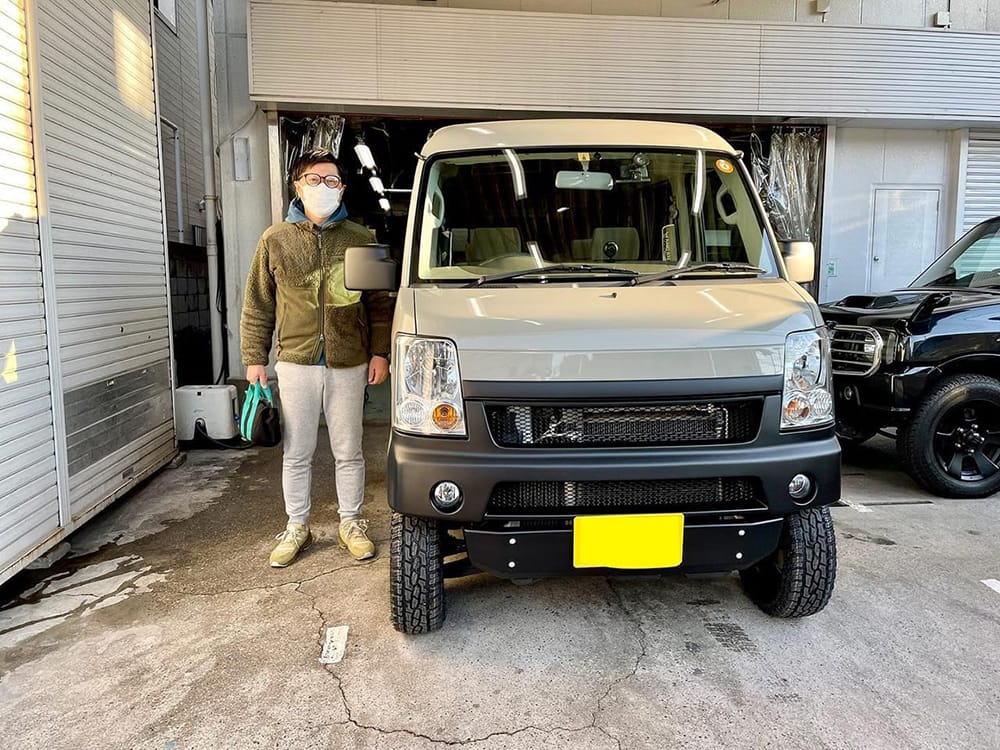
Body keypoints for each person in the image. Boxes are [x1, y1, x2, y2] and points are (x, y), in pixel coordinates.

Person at [241, 149, 393, 568]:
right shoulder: (275, 239)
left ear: (342, 189)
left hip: (349, 360)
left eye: (331, 180)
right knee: (297, 451)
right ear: (298, 185)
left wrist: (380, 352)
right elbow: (258, 303)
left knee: (349, 449)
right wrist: (255, 357)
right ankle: (297, 526)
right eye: (314, 179)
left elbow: (379, 303)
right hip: (296, 360)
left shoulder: (361, 238)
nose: (323, 187)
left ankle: (351, 523)